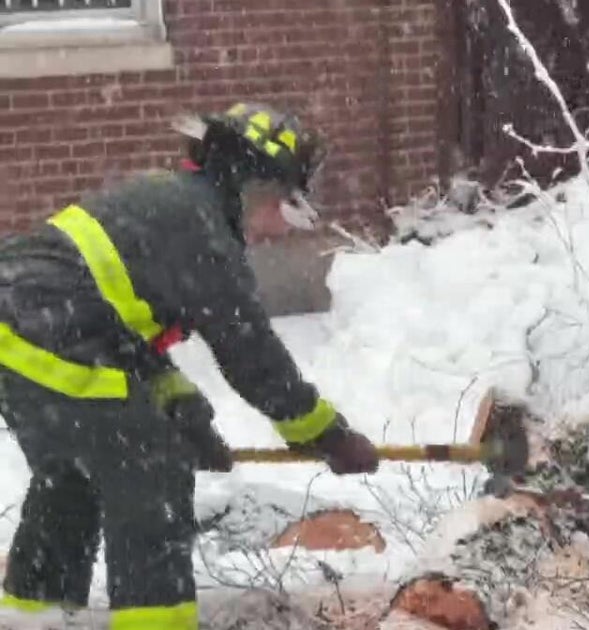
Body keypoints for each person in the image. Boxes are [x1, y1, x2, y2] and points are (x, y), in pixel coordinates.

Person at [0, 102, 380, 629]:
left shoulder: (176, 206)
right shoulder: (203, 231)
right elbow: (251, 353)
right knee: (152, 470)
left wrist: (187, 411)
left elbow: (124, 343)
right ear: (256, 187)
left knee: (73, 476)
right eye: (288, 210)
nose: (283, 230)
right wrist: (326, 433)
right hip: (49, 329)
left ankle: (32, 617)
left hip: (24, 331)